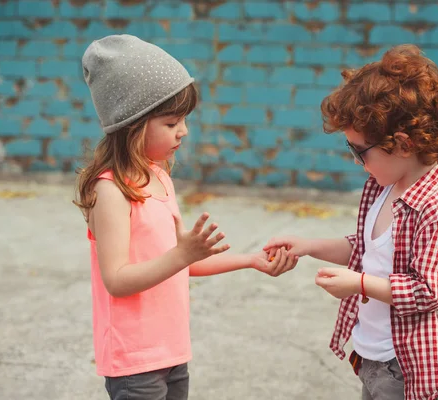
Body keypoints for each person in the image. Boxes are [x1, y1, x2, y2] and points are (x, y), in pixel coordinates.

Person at [74, 34, 297, 400]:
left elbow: (178, 263)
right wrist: (183, 254)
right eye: (172, 122)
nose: (184, 131)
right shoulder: (110, 192)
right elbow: (116, 279)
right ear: (133, 123)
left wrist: (250, 260)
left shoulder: (159, 177)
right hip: (135, 362)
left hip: (172, 350)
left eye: (184, 120)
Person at [264, 45, 438, 400]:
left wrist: (360, 284)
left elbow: (428, 292)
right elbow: (367, 248)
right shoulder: (384, 188)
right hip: (377, 358)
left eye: (358, 151)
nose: (355, 161)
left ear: (401, 144)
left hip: (413, 370)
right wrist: (308, 246)